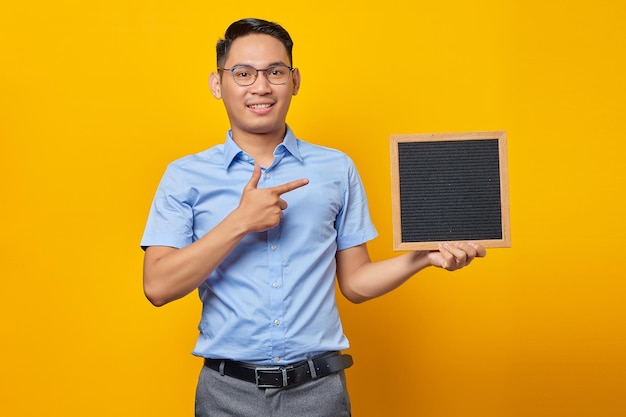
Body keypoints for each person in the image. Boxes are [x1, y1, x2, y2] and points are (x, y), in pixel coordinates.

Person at [140, 17, 486, 417]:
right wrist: (240, 221)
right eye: (243, 73)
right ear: (218, 84)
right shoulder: (184, 176)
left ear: (295, 80)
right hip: (225, 395)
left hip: (319, 393)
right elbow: (158, 287)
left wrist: (424, 257)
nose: (261, 86)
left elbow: (356, 282)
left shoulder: (336, 169)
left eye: (275, 72)